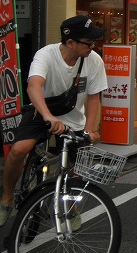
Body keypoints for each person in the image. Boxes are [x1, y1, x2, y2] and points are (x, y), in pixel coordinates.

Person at [0, 15, 108, 226]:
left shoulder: (94, 60)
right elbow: (34, 86)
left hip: (73, 116)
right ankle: (6, 198)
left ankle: (71, 205)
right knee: (19, 149)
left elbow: (94, 97)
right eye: (89, 42)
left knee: (74, 165)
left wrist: (90, 130)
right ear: (70, 43)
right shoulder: (46, 55)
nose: (93, 46)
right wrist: (48, 116)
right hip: (42, 110)